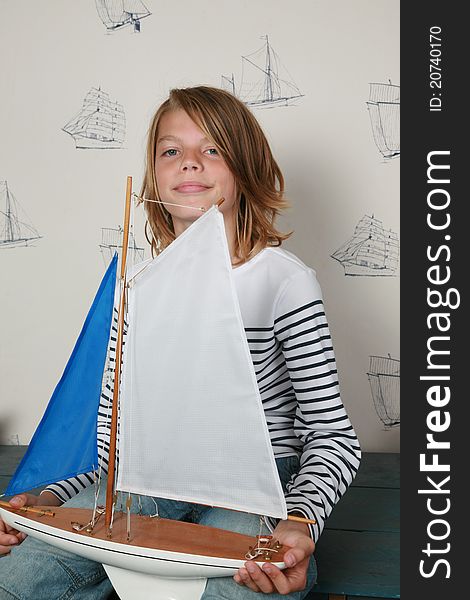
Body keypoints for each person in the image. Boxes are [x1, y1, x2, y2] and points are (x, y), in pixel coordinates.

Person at [0, 86, 361, 599]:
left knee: (245, 586)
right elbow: (111, 449)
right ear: (154, 178)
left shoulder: (282, 281)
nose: (190, 164)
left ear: (245, 169)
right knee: (18, 579)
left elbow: (333, 437)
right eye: (171, 151)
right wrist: (44, 501)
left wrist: (300, 521)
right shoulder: (136, 286)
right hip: (145, 481)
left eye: (211, 150)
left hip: (252, 485)